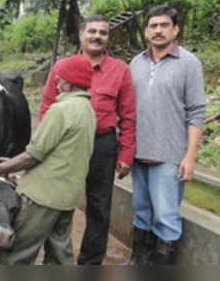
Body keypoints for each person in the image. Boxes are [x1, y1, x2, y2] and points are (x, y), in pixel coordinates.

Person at [0, 54, 96, 265]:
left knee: (17, 255)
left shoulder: (60, 110)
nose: (57, 82)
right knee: (60, 256)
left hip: (42, 197)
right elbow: (60, 152)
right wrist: (9, 162)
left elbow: (33, 155)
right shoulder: (87, 110)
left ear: (70, 82)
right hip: (66, 197)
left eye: (60, 78)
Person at [39, 14, 136, 265]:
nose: (97, 36)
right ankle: (56, 258)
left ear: (108, 38)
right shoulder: (62, 67)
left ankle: (90, 263)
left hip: (102, 145)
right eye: (91, 31)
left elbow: (128, 115)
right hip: (66, 146)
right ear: (81, 35)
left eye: (103, 32)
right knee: (58, 202)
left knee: (99, 207)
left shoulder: (120, 70)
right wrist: (44, 147)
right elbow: (47, 107)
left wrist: (126, 154)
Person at [127, 5, 206, 265]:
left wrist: (190, 156)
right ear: (147, 30)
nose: (158, 30)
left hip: (170, 155)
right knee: (141, 212)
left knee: (165, 216)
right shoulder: (136, 63)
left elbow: (196, 112)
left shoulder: (189, 63)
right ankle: (139, 260)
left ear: (175, 29)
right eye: (153, 26)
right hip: (139, 153)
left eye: (164, 25)